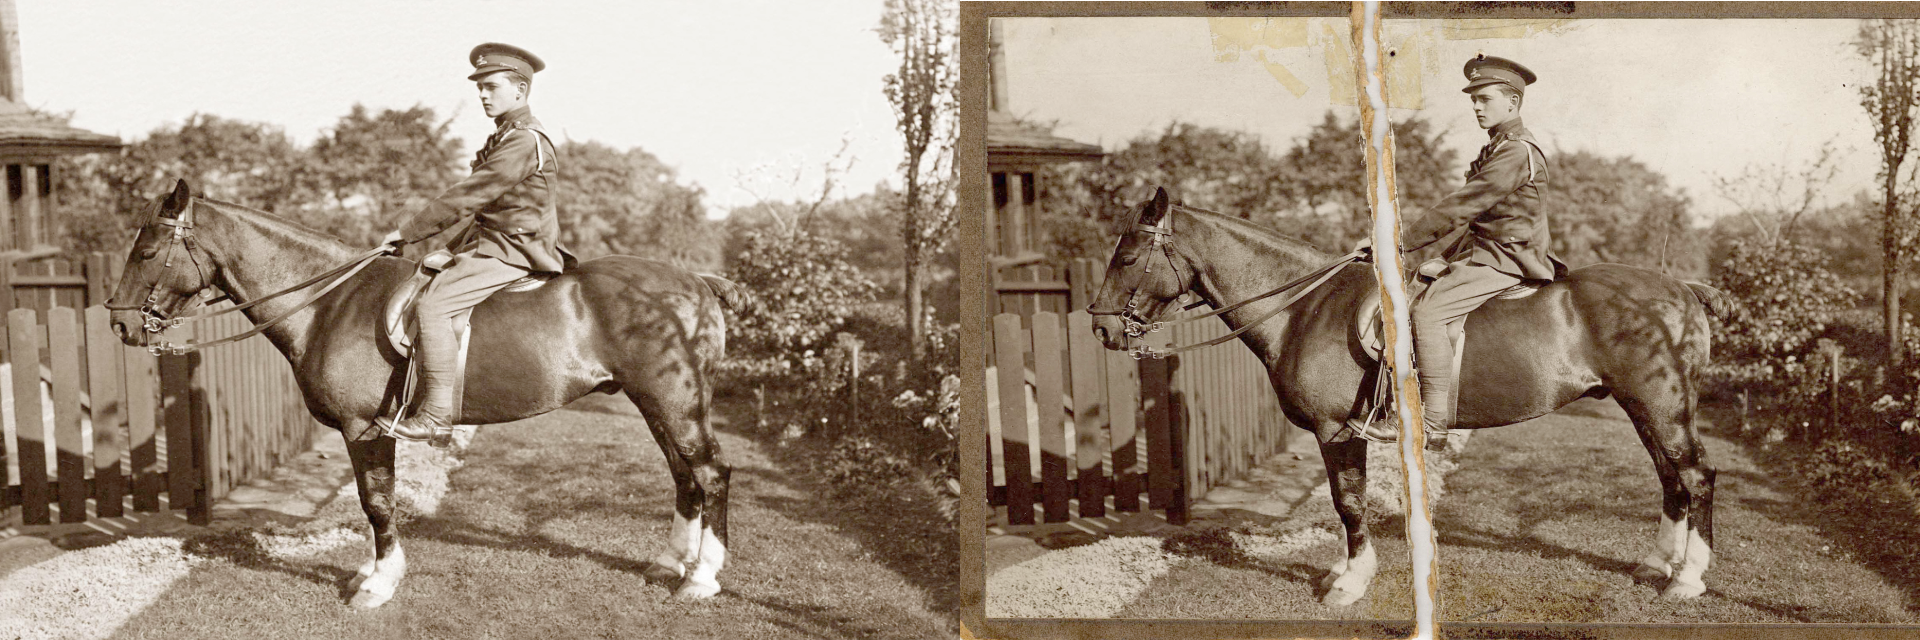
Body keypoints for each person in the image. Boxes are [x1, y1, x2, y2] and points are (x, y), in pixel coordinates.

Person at [1355, 54, 1567, 451]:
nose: (1476, 106)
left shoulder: (1516, 151)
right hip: (1484, 252)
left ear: (1512, 102)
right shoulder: (1498, 148)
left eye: (1484, 98)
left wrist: (1393, 242)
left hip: (1508, 257)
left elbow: (1463, 205)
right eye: (1473, 99)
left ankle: (1430, 422)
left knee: (1428, 313)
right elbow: (1472, 217)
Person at [376, 43, 568, 442]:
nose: (482, 93)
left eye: (491, 86)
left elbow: (471, 195)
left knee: (432, 307)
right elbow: (488, 210)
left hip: (515, 249)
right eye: (479, 86)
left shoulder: (523, 141)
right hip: (493, 243)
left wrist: (409, 231)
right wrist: (448, 247)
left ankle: (435, 416)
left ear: (520, 90)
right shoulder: (504, 136)